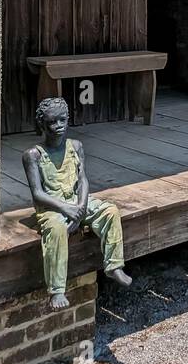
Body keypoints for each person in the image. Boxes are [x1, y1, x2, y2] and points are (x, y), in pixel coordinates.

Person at [22, 97, 131, 310]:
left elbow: (83, 180)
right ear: (42, 125)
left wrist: (80, 208)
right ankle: (57, 289)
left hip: (76, 202)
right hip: (52, 207)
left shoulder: (76, 146)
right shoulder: (33, 155)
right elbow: (37, 194)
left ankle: (114, 265)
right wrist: (67, 209)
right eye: (52, 122)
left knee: (109, 211)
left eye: (62, 120)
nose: (58, 126)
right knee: (55, 229)